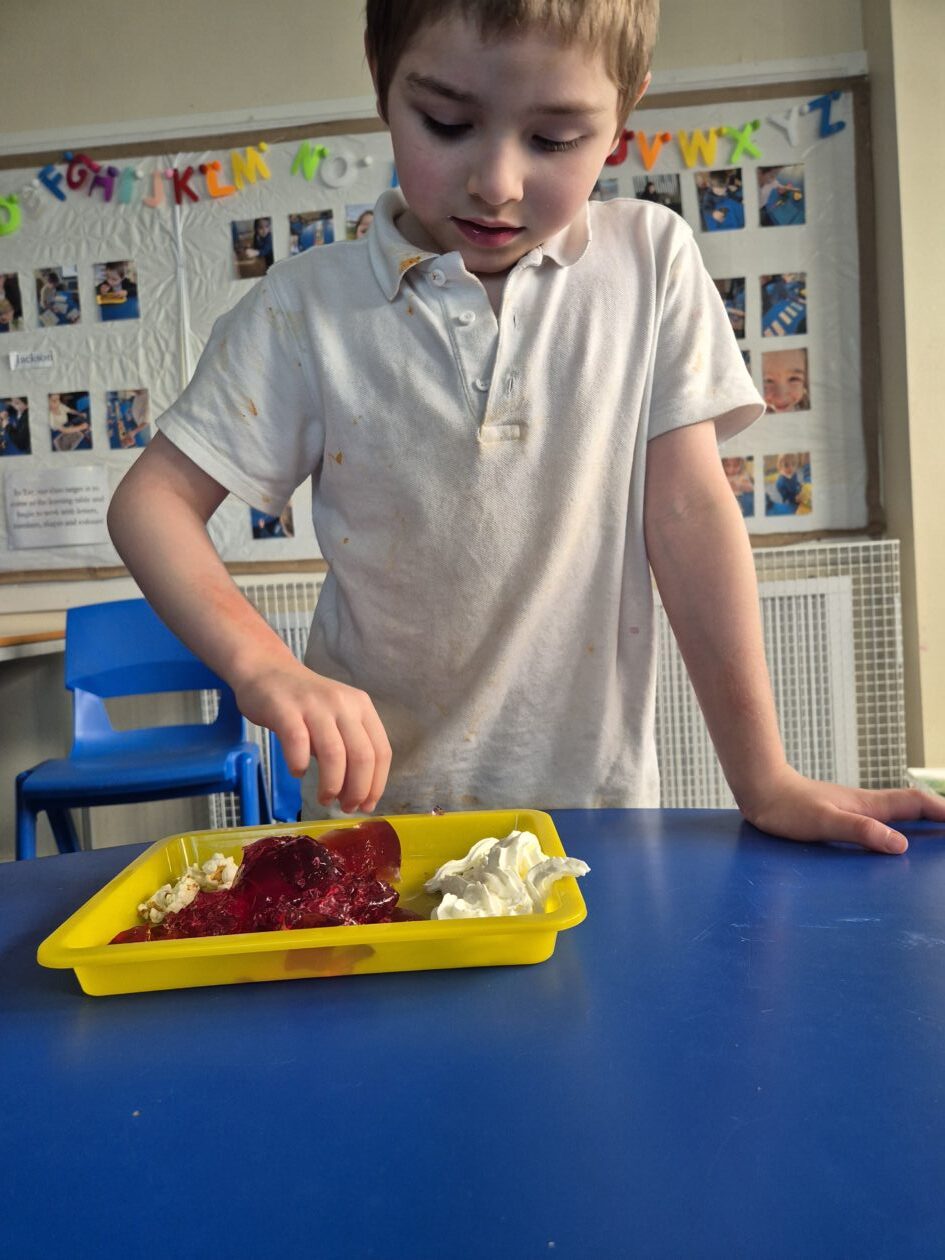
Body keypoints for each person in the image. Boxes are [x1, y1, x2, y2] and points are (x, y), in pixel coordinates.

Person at [107, 0, 945, 854]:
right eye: (446, 124)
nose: (497, 183)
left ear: (622, 116)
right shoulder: (304, 306)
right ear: (381, 79)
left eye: (554, 139)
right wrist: (263, 665)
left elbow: (688, 514)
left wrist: (764, 778)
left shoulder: (650, 261)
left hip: (591, 822)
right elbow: (151, 504)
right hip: (378, 828)